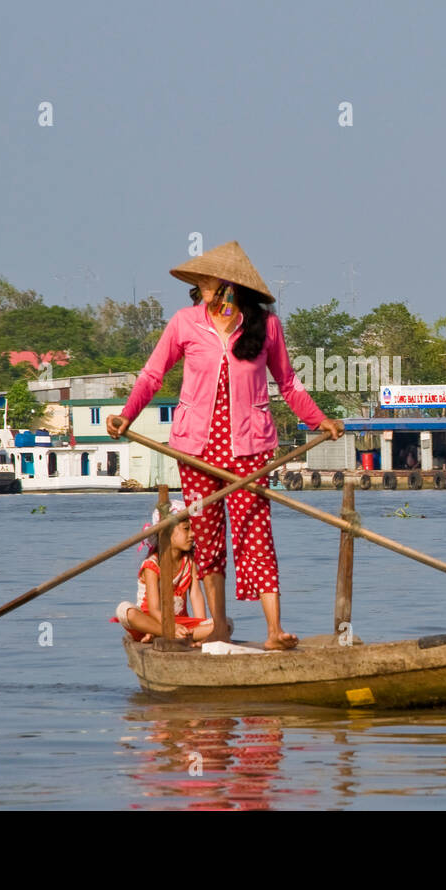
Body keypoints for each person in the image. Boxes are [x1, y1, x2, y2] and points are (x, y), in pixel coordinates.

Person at [106, 241, 343, 650]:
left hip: (249, 448)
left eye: (211, 285)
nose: (205, 293)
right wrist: (127, 414)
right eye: (201, 286)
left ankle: (274, 631)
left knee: (255, 534)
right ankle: (216, 626)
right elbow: (152, 374)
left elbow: (289, 383)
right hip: (195, 449)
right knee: (208, 535)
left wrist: (318, 420)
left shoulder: (266, 327)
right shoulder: (185, 323)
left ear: (232, 288)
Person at [115, 500, 214, 643]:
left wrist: (202, 625)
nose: (192, 534)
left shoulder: (190, 561)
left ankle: (184, 635)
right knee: (125, 611)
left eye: (193, 529)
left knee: (224, 624)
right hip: (152, 621)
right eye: (186, 529)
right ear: (166, 533)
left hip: (181, 623)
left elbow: (196, 594)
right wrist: (171, 628)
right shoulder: (152, 565)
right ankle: (165, 633)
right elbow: (154, 609)